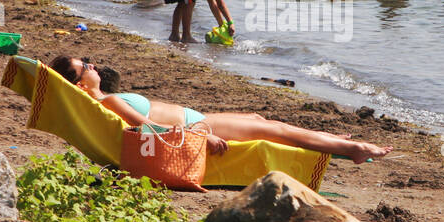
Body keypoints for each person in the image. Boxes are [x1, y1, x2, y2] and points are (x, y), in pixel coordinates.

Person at [48, 57, 391, 163]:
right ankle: (353, 149)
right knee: (275, 130)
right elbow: (151, 128)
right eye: (86, 66)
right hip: (199, 126)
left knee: (260, 120)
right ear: (79, 83)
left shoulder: (100, 102)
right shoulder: (107, 102)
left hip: (198, 120)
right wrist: (202, 139)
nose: (93, 65)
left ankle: (327, 138)